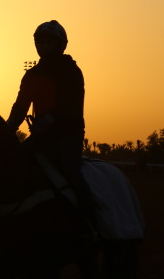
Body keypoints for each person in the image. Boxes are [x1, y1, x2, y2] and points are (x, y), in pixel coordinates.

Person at [6, 20, 96, 235]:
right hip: (41, 137)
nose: (44, 46)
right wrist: (6, 128)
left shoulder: (71, 71)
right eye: (41, 41)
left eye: (49, 42)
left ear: (60, 44)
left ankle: (89, 220)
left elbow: (70, 105)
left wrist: (50, 121)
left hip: (68, 134)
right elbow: (20, 107)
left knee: (71, 171)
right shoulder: (31, 75)